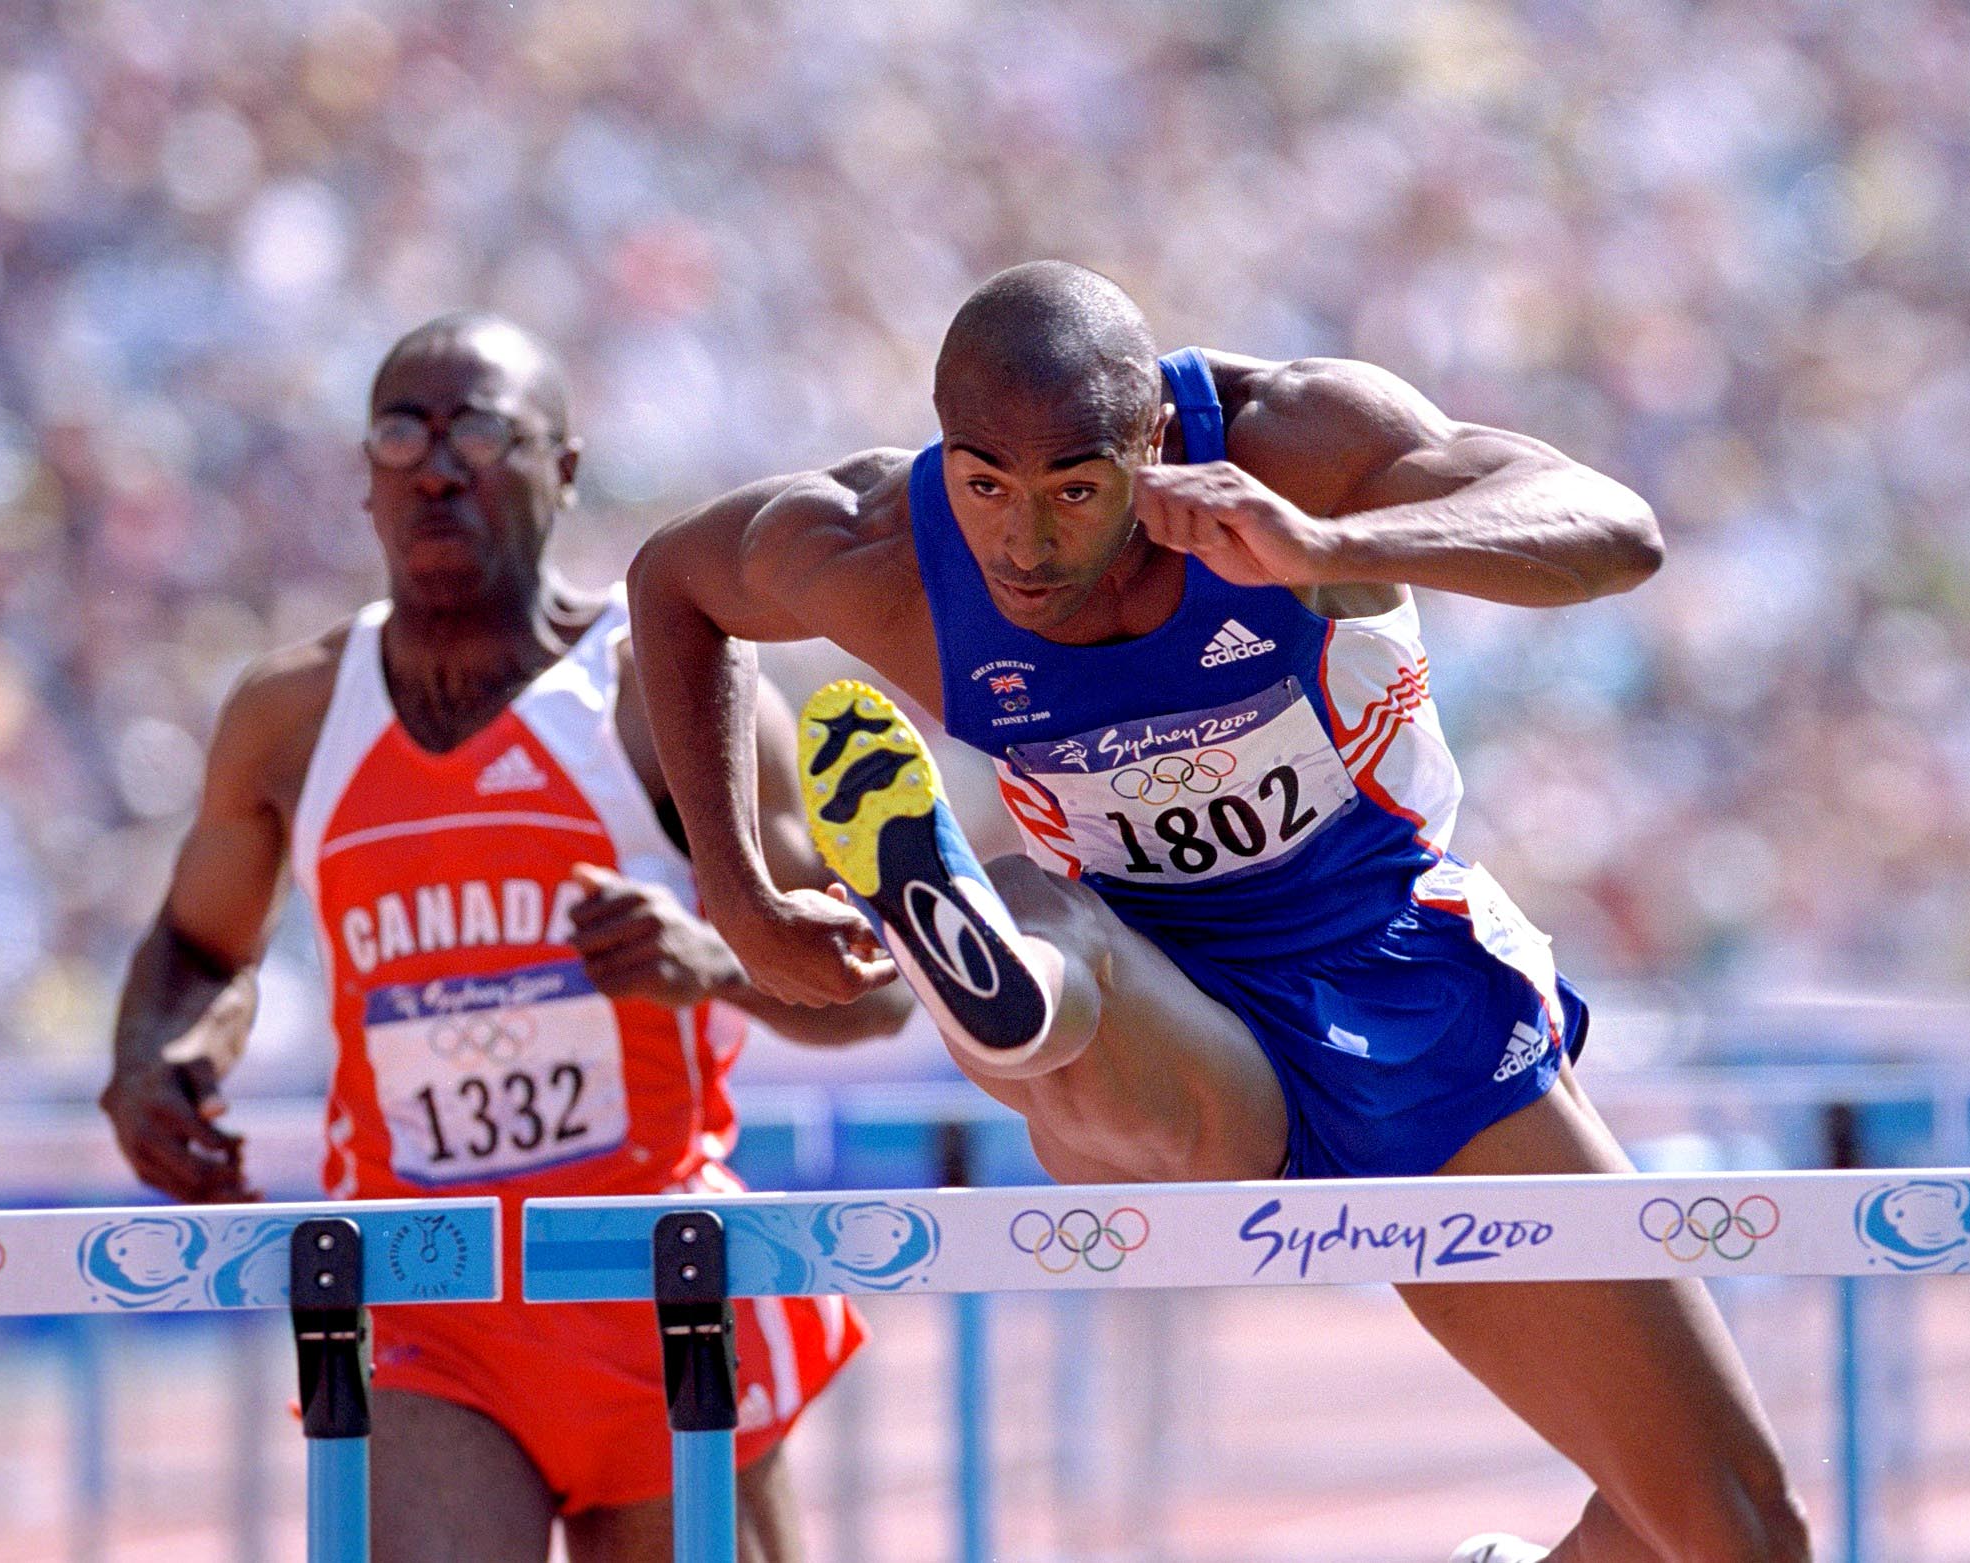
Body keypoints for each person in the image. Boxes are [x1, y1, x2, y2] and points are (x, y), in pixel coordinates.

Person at [627, 262, 1809, 1562]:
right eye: (985, 486)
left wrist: (1338, 550)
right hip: (1158, 1020)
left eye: (1077, 490)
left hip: (1397, 973)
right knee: (1054, 939)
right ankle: (985, 949)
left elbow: (1613, 527)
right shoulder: (881, 552)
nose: (1024, 544)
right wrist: (734, 887)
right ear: (942, 450)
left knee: (1736, 1531)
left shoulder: (1295, 440)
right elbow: (673, 583)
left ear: (1154, 445)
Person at [102, 313, 906, 1563]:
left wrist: (715, 968)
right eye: (401, 432)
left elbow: (880, 993)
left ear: (564, 469)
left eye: (481, 431)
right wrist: (156, 1058)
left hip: (658, 1275)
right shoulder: (290, 717)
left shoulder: (663, 700)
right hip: (427, 1292)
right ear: (364, 483)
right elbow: (202, 951)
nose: (437, 464)